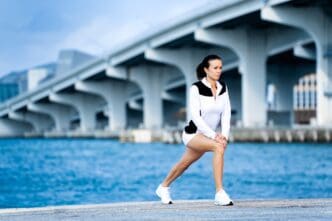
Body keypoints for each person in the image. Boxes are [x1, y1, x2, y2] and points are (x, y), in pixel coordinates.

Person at [155, 54, 233, 206]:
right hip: (192, 134)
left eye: (220, 68)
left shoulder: (223, 87)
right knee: (218, 148)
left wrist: (224, 135)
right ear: (206, 70)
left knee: (184, 164)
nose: (218, 71)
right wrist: (214, 137)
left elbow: (226, 113)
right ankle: (219, 192)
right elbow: (196, 117)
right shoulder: (196, 88)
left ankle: (163, 187)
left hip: (207, 136)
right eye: (215, 68)